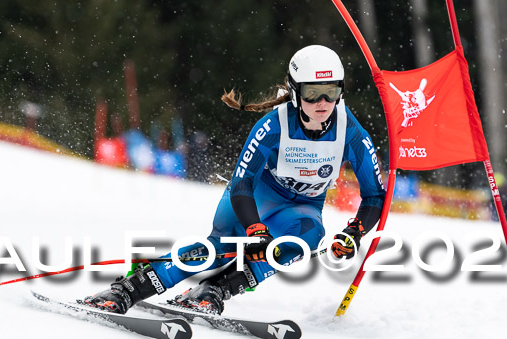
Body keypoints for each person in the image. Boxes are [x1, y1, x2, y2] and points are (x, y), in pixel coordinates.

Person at [84, 45, 386, 315]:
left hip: (301, 208)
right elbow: (242, 183)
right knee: (218, 250)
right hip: (254, 196)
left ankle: (215, 290)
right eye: (312, 93)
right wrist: (255, 228)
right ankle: (127, 289)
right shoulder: (273, 126)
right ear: (295, 92)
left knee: (302, 239)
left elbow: (374, 196)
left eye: (331, 91)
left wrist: (354, 232)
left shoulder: (352, 133)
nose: (322, 102)